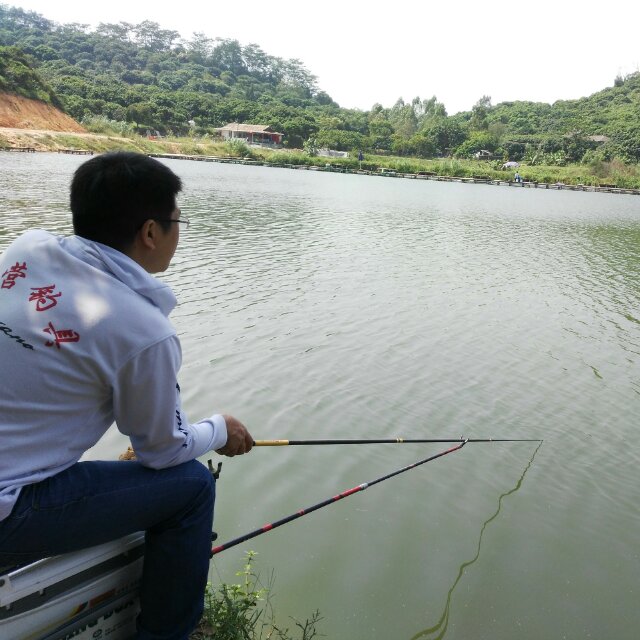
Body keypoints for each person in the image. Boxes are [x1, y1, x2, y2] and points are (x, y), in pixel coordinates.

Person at [0, 151, 254, 640]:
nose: (179, 234)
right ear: (151, 232)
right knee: (191, 490)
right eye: (177, 222)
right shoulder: (144, 331)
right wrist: (221, 428)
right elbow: (163, 451)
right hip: (8, 516)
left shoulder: (25, 247)